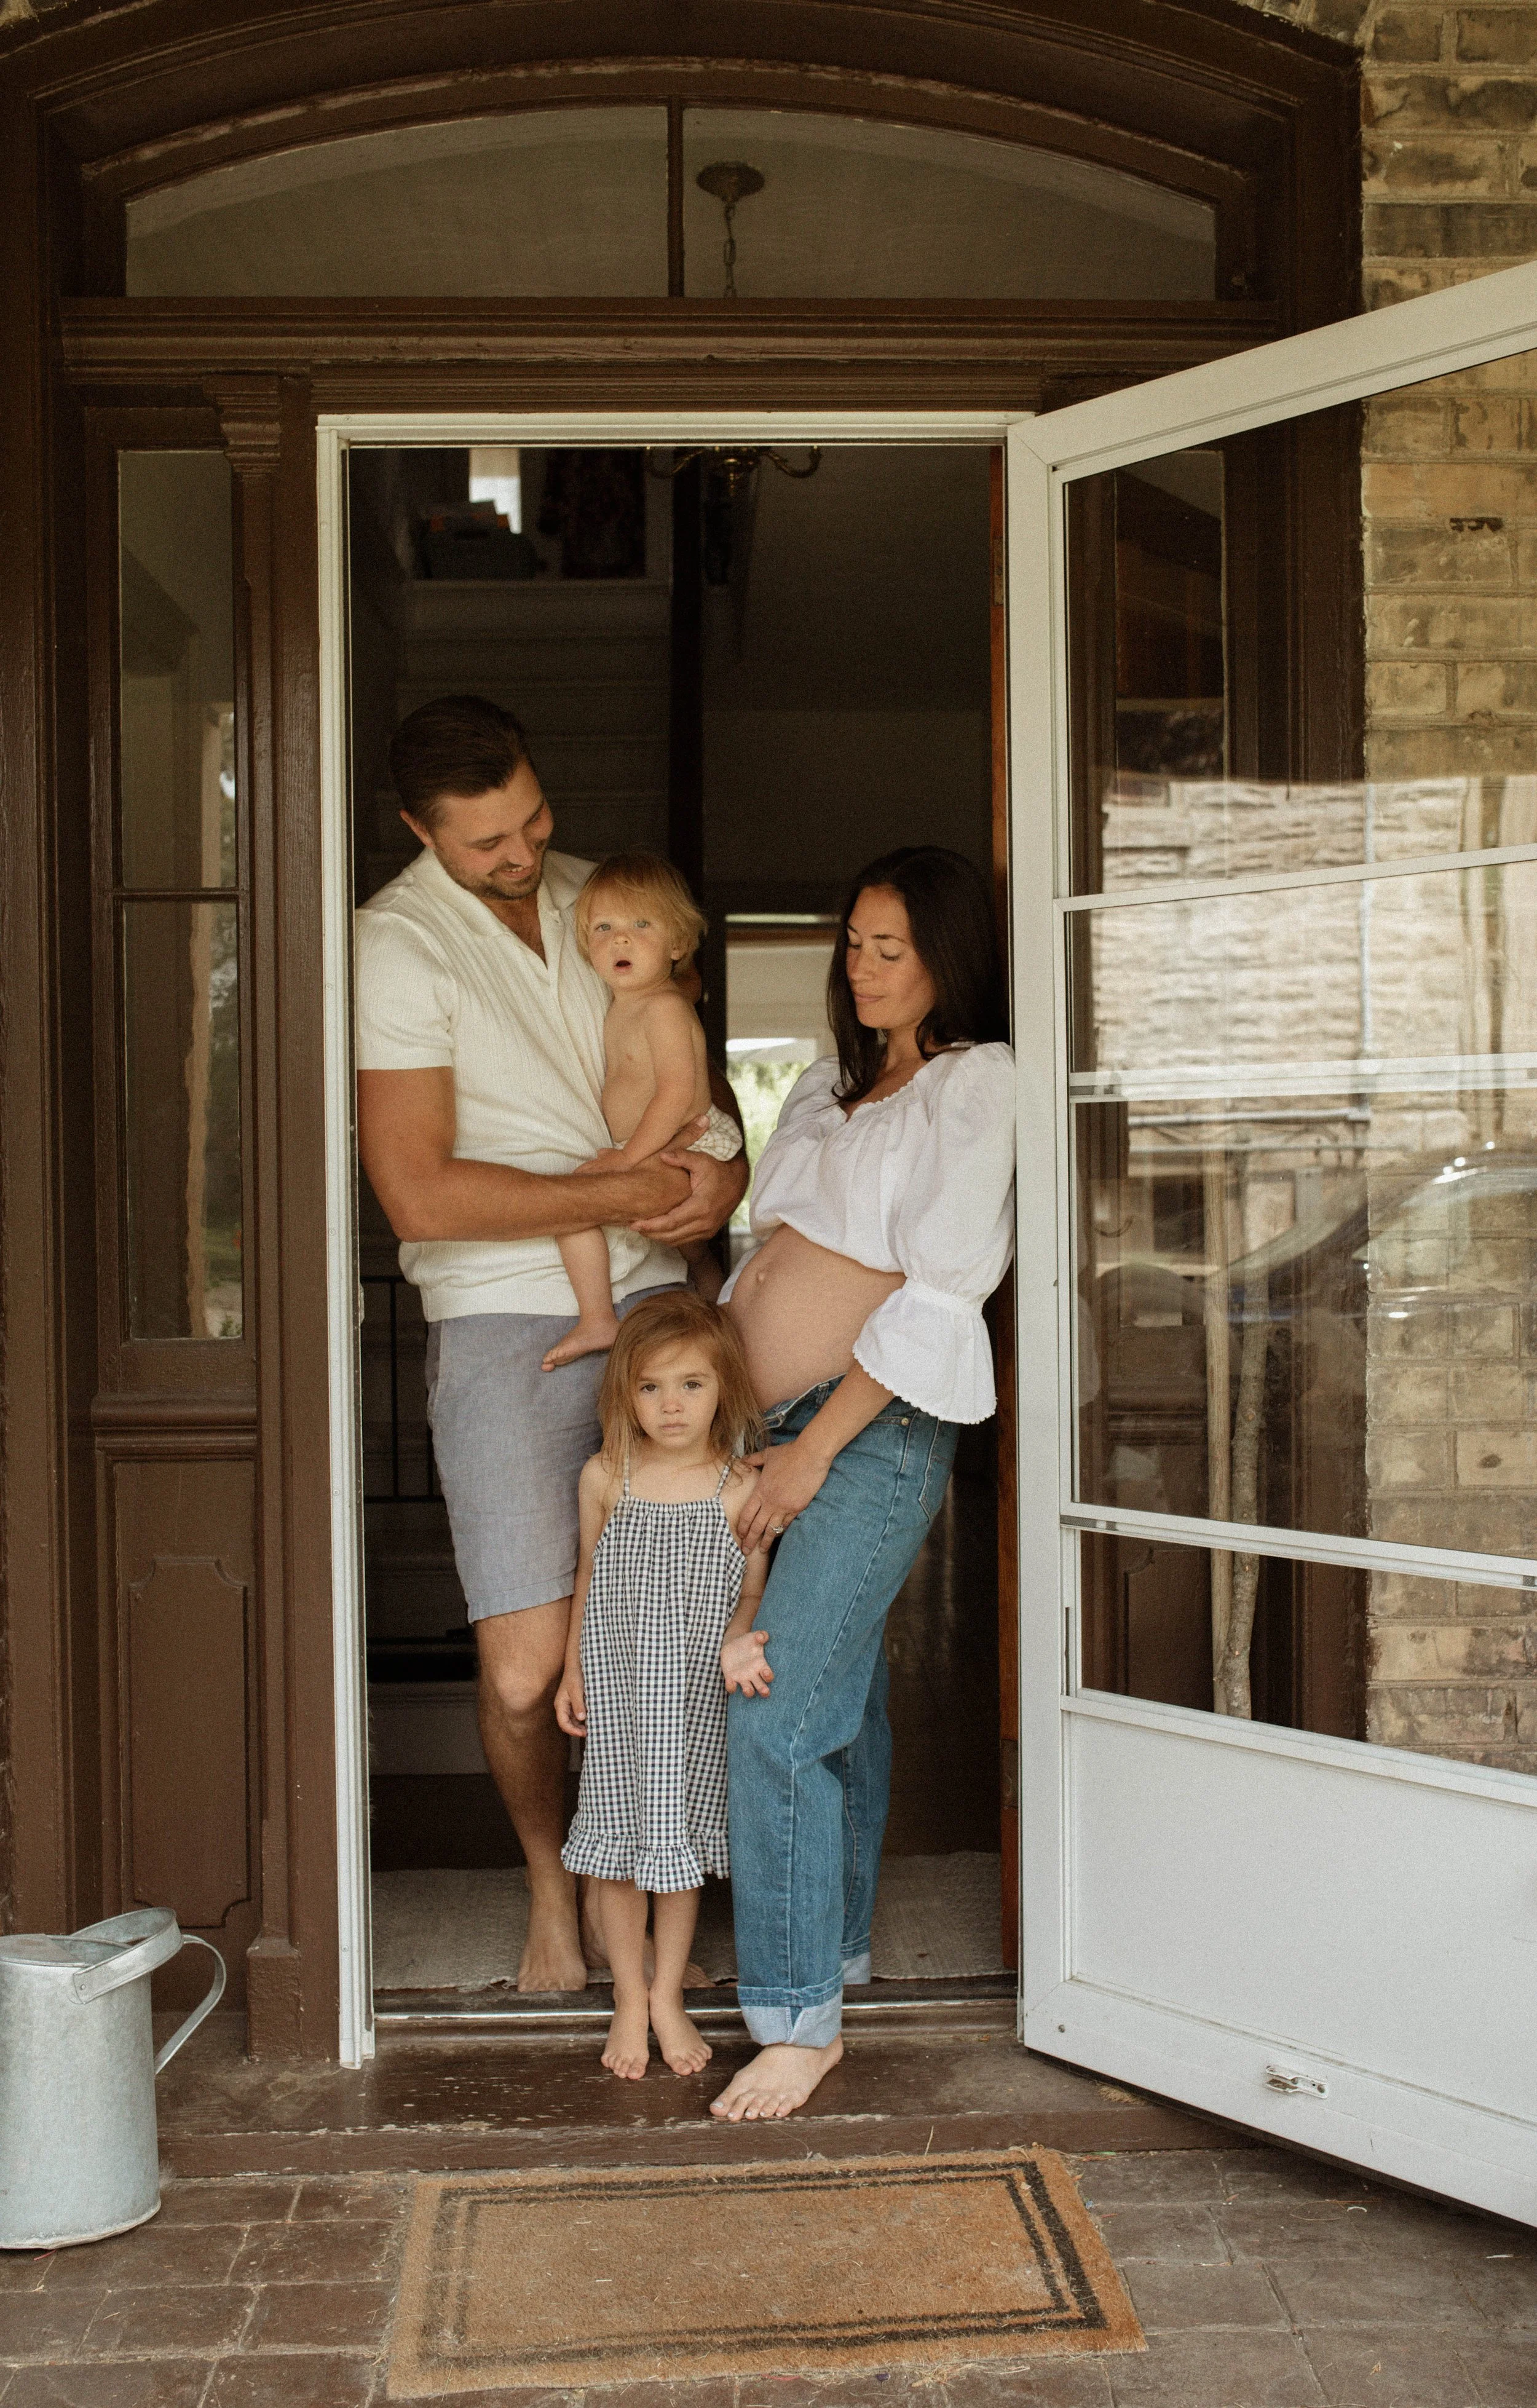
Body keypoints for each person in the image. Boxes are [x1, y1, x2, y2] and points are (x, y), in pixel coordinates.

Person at [354, 695, 747, 1993]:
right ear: (419, 829)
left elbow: (690, 1080)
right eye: (486, 845)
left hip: (656, 1306)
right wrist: (626, 1195)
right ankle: (551, 1875)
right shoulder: (394, 945)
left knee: (681, 1629)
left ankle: (654, 1867)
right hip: (501, 1316)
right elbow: (419, 1192)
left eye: (531, 822)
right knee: (527, 1673)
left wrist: (718, 1177)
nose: (523, 857)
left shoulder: (605, 899)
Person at [709, 845, 1016, 2121]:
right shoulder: (832, 1089)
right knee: (839, 1705)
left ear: (949, 953)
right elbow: (765, 1247)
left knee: (772, 1708)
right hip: (768, 1420)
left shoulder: (972, 1082)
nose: (864, 965)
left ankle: (795, 2020)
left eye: (892, 944)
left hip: (862, 1434)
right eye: (853, 941)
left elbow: (938, 1288)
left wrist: (811, 1445)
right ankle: (830, 1960)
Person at [555, 1290, 770, 2079]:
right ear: (625, 1394)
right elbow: (585, 1574)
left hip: (690, 1698)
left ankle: (669, 1992)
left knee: (674, 1847)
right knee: (615, 1844)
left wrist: (735, 1638)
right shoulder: (605, 1477)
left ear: (723, 1390)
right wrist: (573, 1665)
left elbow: (751, 1588)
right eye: (650, 1387)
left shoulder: (738, 1486)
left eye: (690, 1384)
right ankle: (627, 1995)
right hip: (617, 1689)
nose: (671, 1404)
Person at [543, 855, 743, 1373]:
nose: (621, 940)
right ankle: (718, 1315)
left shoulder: (663, 1006)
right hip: (663, 1139)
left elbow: (677, 1093)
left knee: (574, 1206)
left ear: (677, 944)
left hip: (685, 1138)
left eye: (640, 926)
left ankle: (597, 1318)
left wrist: (628, 1157)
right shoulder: (621, 1004)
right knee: (695, 1253)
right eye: (603, 928)